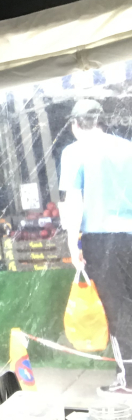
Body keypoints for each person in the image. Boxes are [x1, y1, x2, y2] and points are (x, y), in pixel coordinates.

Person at [59, 98, 132, 397]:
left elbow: (73, 200)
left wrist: (72, 241)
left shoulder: (74, 151)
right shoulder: (126, 147)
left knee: (117, 309)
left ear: (76, 124)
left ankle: (127, 381)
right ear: (100, 121)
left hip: (103, 239)